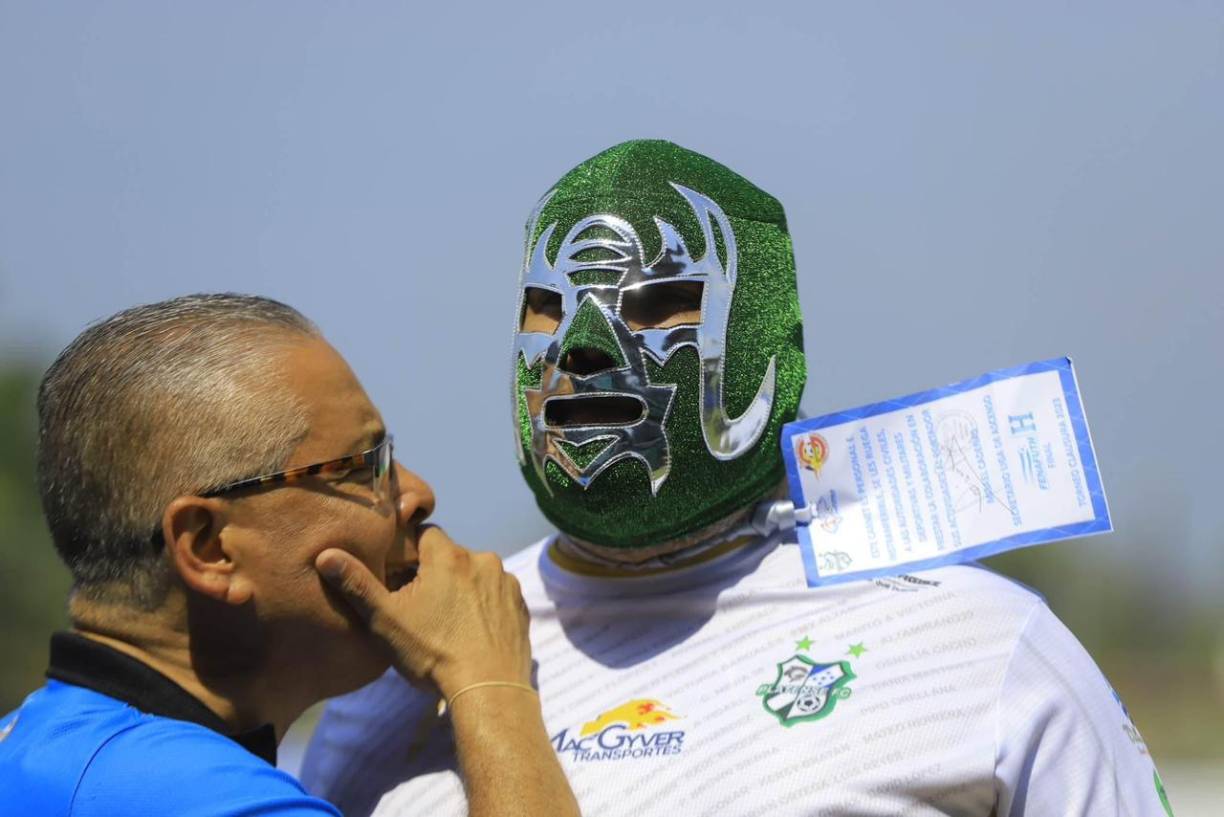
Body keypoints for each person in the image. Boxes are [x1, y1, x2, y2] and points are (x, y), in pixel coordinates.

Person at [301, 141, 1174, 816]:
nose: (584, 347)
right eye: (548, 307)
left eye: (656, 304)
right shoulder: (403, 668)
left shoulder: (981, 646)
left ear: (759, 343)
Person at [0, 294, 580, 817]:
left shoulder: (42, 748)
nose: (417, 494)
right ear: (209, 547)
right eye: (364, 468)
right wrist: (489, 682)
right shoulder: (195, 798)